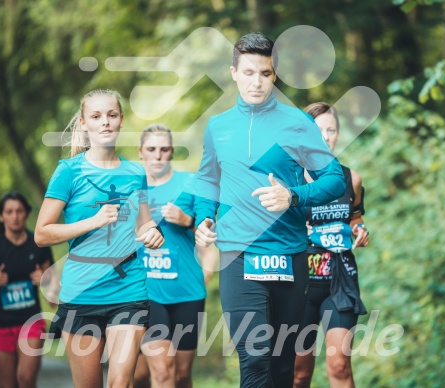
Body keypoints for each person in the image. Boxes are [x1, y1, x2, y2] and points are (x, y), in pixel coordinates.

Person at [194, 32, 346, 387]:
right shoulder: (218, 126)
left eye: (265, 73)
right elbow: (207, 182)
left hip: (290, 255)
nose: (257, 82)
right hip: (238, 254)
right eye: (248, 72)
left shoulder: (297, 123)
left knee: (282, 366)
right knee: (254, 357)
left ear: (275, 75)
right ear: (233, 72)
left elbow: (334, 179)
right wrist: (203, 217)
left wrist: (293, 196)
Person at [34, 89, 165, 388]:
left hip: (129, 287)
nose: (105, 122)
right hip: (82, 290)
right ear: (84, 123)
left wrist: (153, 233)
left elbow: (143, 226)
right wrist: (91, 222)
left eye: (112, 115)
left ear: (120, 121)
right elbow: (42, 233)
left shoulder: (135, 172)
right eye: (96, 116)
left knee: (120, 382)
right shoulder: (68, 171)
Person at [133, 124, 216, 388]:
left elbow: (210, 238)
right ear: (141, 152)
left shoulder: (190, 183)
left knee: (181, 376)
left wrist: (187, 220)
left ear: (171, 151)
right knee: (161, 371)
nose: (157, 155)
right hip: (147, 292)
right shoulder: (131, 189)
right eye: (151, 149)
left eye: (164, 149)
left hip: (187, 292)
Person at [293, 102, 370, 388]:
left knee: (339, 366)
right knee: (298, 373)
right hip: (299, 283)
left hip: (340, 280)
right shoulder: (292, 181)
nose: (325, 137)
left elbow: (356, 218)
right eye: (317, 131)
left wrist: (360, 231)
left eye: (331, 130)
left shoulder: (352, 179)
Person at [0, 191, 54, 388]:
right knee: (6, 385)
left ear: (27, 214)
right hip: (0, 323)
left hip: (31, 321)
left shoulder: (38, 244)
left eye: (19, 211)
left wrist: (44, 280)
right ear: (1, 216)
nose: (15, 216)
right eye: (9, 212)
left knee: (26, 379)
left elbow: (52, 285)